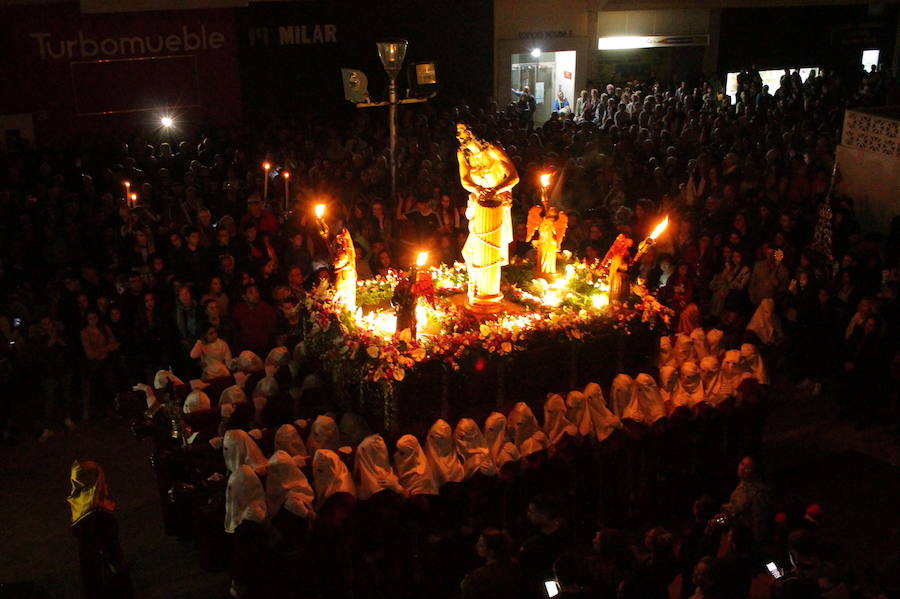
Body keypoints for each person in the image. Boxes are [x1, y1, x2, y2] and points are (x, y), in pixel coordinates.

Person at [68, 460, 132, 598]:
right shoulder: (98, 510)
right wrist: (118, 567)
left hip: (92, 577)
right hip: (107, 577)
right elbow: (108, 545)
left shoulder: (78, 505)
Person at [460, 528, 524, 599]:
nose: (476, 546)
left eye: (481, 545)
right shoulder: (515, 565)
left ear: (491, 551)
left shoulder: (479, 576)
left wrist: (466, 585)